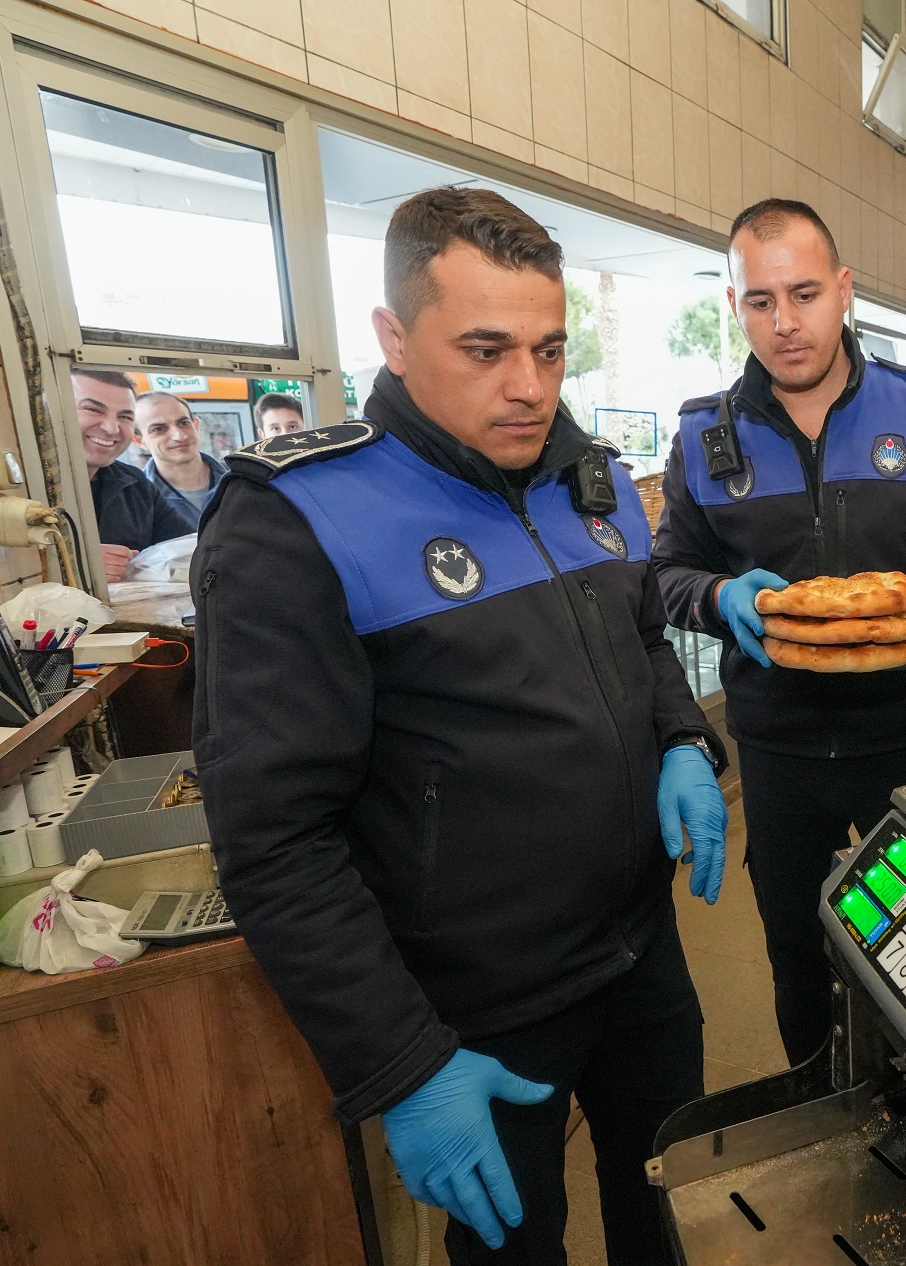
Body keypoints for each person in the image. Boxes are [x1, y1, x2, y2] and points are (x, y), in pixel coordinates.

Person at [193, 187, 728, 1265]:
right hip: (474, 1012)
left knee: (664, 1208)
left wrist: (679, 737)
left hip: (640, 955)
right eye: (485, 350)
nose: (527, 387)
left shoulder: (591, 480)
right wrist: (401, 1064)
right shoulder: (301, 519)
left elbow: (642, 641)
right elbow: (272, 838)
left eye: (548, 349)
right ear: (392, 337)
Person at [655, 199, 906, 1066]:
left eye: (806, 293)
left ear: (844, 290)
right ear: (735, 305)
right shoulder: (706, 434)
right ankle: (821, 1109)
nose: (785, 323)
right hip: (778, 759)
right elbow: (665, 576)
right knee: (799, 958)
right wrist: (717, 599)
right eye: (760, 301)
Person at [71, 369, 196, 582]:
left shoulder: (135, 485)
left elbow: (191, 553)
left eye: (125, 417)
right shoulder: (22, 485)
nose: (111, 428)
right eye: (92, 409)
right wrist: (72, 562)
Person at [135, 391, 227, 522]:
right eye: (159, 429)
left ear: (196, 425)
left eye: (183, 423)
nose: (180, 436)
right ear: (139, 441)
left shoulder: (242, 479)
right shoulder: (136, 498)